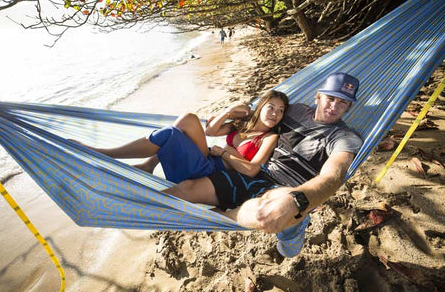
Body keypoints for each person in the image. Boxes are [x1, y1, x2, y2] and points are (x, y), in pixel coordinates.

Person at [164, 72, 363, 257]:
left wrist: (298, 200)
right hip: (253, 175)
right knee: (186, 189)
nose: (334, 107)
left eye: (343, 102)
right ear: (318, 97)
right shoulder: (294, 110)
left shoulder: (345, 137)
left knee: (264, 214)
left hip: (285, 188)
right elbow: (261, 113)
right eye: (331, 98)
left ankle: (283, 220)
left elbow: (333, 175)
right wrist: (236, 111)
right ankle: (138, 200)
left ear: (349, 107)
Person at [76, 90, 289, 184]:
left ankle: (108, 154)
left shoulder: (269, 138)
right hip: (209, 159)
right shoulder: (242, 124)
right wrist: (228, 110)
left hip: (213, 171)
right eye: (271, 107)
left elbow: (252, 169)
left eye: (280, 111)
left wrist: (224, 152)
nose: (275, 114)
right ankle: (147, 164)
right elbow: (210, 131)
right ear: (260, 107)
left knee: (176, 129)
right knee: (185, 122)